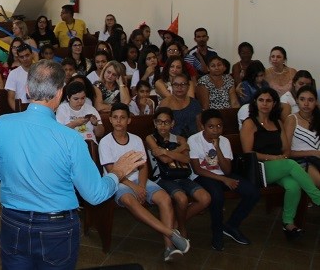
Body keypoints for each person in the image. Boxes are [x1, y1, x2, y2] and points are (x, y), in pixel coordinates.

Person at [0, 60, 146, 268]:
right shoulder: (70, 138)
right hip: (55, 229)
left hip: (13, 222)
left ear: (27, 90)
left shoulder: (1, 124)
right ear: (60, 93)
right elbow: (95, 194)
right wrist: (117, 172)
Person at [99, 103, 190, 262]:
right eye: (115, 117)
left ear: (129, 120)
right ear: (111, 120)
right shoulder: (105, 142)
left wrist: (141, 186)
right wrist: (135, 187)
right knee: (130, 200)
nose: (119, 121)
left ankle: (169, 247)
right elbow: (113, 171)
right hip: (117, 181)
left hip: (138, 179)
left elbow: (143, 166)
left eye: (123, 118)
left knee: (165, 199)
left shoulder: (135, 139)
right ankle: (170, 232)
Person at [240, 87, 320, 240]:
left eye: (269, 100)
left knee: (293, 186)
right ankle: (317, 197)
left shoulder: (277, 122)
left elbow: (286, 149)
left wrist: (282, 156)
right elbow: (248, 153)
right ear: (255, 102)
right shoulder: (249, 123)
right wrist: (274, 158)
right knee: (291, 164)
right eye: (261, 100)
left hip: (279, 166)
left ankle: (288, 224)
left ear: (274, 103)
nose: (265, 104)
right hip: (260, 168)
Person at [188, 109, 259, 250]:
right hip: (203, 176)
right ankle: (217, 232)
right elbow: (197, 169)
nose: (215, 130)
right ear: (203, 126)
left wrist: (217, 147)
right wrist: (224, 180)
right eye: (211, 126)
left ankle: (231, 225)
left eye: (219, 126)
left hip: (222, 174)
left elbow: (227, 170)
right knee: (217, 196)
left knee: (253, 192)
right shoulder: (193, 140)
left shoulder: (224, 141)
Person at [145, 107, 211, 239]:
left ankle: (177, 223)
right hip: (163, 177)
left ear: (172, 124)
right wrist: (180, 150)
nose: (162, 125)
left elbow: (186, 159)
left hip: (181, 174)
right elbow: (164, 160)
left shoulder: (179, 138)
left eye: (166, 122)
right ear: (154, 123)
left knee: (205, 198)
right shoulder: (150, 138)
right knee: (182, 199)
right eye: (159, 122)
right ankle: (182, 227)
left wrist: (165, 151)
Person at [284, 86, 320, 187]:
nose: (306, 104)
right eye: (302, 99)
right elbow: (287, 153)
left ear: (316, 102)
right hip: (300, 161)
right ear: (297, 100)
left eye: (310, 100)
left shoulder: (318, 118)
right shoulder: (292, 119)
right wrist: (314, 153)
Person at [159, 73, 203, 138]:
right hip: (173, 141)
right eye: (176, 84)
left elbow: (200, 126)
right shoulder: (165, 104)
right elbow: (161, 127)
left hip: (194, 139)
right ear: (172, 86)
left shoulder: (195, 103)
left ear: (188, 86)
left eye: (183, 84)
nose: (179, 87)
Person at [5, 43, 33, 110]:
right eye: (22, 57)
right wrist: (19, 112)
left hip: (39, 109)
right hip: (22, 109)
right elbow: (11, 98)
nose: (25, 59)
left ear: (32, 55)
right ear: (18, 58)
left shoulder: (41, 72)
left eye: (27, 55)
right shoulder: (13, 73)